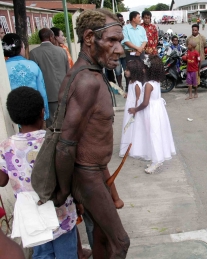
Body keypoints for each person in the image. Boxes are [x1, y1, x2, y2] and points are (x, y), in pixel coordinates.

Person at [54, 9, 130, 258]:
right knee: (120, 242)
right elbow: (66, 143)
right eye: (112, 41)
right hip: (87, 175)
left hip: (95, 171)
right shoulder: (87, 81)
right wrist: (66, 191)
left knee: (101, 236)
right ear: (89, 37)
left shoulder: (92, 75)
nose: (119, 50)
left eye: (120, 41)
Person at [0, 87, 77, 258]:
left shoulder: (6, 146)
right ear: (43, 112)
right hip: (61, 212)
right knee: (67, 254)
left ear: (14, 117)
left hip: (32, 215)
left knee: (42, 254)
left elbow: (2, 180)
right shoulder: (55, 140)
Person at [128, 55, 176, 174]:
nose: (143, 70)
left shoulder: (148, 84)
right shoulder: (156, 81)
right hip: (158, 110)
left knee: (153, 134)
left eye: (144, 68)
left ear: (149, 69)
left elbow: (145, 103)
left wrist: (135, 109)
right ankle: (155, 158)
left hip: (151, 112)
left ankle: (157, 160)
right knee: (155, 133)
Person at [3, 33, 49, 121]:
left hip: (11, 116)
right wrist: (45, 113)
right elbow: (42, 91)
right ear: (20, 48)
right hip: (34, 114)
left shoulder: (3, 69)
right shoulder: (33, 65)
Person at [29, 28, 69, 127]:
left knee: (52, 124)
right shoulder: (62, 51)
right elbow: (68, 72)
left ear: (40, 38)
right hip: (64, 91)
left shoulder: (34, 53)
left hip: (48, 93)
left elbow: (34, 76)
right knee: (66, 120)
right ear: (51, 37)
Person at [119, 60, 144, 157]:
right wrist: (127, 95)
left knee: (132, 126)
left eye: (128, 70)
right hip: (128, 107)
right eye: (126, 69)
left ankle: (132, 146)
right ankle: (127, 145)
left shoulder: (137, 84)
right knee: (127, 126)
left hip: (133, 109)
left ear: (133, 71)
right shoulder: (130, 82)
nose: (125, 71)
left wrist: (135, 111)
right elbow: (132, 95)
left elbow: (138, 98)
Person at [122, 11, 147, 86]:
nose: (140, 19)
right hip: (130, 53)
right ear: (133, 19)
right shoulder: (125, 28)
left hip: (141, 53)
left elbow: (145, 40)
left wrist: (140, 49)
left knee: (142, 70)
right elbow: (125, 41)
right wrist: (137, 48)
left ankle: (141, 87)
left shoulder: (141, 28)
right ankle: (129, 88)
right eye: (139, 17)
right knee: (130, 71)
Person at [114, 12, 127, 89]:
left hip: (125, 54)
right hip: (116, 55)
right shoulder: (113, 30)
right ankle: (120, 86)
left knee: (127, 71)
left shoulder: (126, 29)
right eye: (120, 20)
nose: (122, 22)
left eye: (122, 20)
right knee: (118, 72)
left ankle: (128, 86)